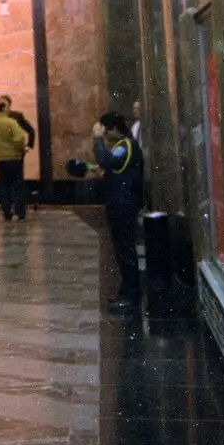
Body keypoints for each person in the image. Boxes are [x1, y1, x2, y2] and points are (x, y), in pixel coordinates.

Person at [92, 111, 146, 310]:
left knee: (125, 250)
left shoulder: (125, 146)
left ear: (113, 129)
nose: (105, 136)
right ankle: (127, 291)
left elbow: (108, 161)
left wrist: (97, 140)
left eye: (106, 132)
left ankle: (131, 295)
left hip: (124, 204)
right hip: (122, 203)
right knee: (123, 249)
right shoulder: (122, 146)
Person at [0, 99, 29, 222]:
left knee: (4, 185)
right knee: (18, 185)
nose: (9, 109)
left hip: (0, 159)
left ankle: (7, 213)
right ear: (3, 108)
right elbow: (19, 139)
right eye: (7, 107)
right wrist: (20, 150)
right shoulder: (11, 123)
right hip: (14, 158)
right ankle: (20, 213)